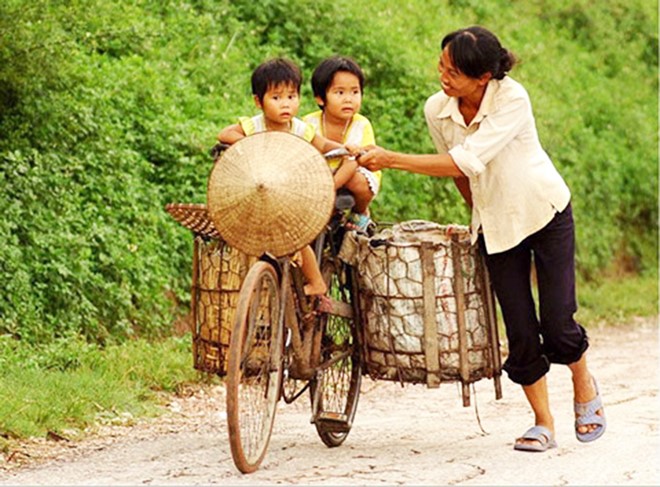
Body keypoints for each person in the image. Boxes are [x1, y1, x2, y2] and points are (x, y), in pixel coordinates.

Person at [357, 26, 605, 452]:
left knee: (558, 325)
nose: (443, 78)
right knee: (521, 330)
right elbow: (459, 174)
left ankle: (583, 381)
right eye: (441, 67)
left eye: (453, 72)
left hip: (544, 212)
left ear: (484, 77)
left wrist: (391, 160)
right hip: (496, 226)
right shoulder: (437, 109)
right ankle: (542, 423)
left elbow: (466, 158)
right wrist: (475, 217)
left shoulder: (512, 99)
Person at [218, 57, 347, 297]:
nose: (285, 104)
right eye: (276, 98)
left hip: (292, 197)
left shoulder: (300, 129)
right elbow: (224, 134)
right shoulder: (254, 126)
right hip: (258, 193)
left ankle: (316, 282)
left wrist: (347, 149)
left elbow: (324, 144)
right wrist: (258, 143)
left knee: (296, 236)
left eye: (291, 96)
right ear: (259, 101)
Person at [303, 56, 381, 233]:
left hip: (351, 173)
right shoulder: (309, 123)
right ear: (320, 98)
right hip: (318, 175)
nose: (348, 99)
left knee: (357, 178)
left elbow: (356, 161)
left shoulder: (361, 124)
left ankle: (360, 211)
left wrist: (330, 187)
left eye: (355, 92)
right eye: (340, 93)